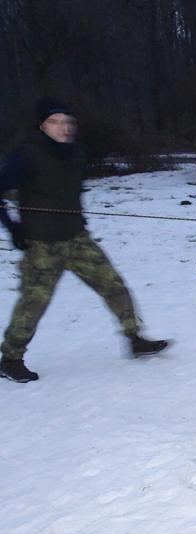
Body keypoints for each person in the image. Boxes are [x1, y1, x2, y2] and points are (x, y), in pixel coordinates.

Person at [0, 97, 168, 383]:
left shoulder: (78, 153)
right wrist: (12, 227)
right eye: (55, 122)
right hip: (42, 243)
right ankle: (10, 358)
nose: (63, 128)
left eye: (68, 122)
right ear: (42, 126)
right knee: (34, 301)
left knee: (113, 284)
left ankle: (135, 339)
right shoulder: (26, 155)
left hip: (77, 237)